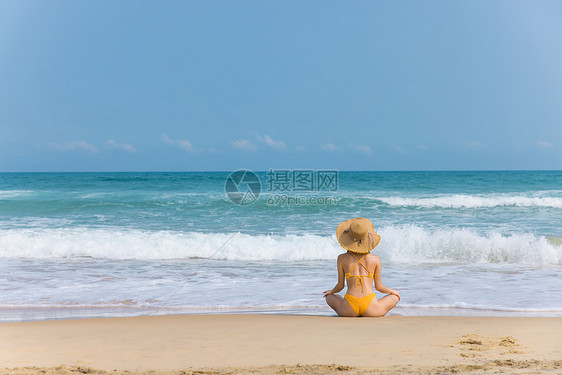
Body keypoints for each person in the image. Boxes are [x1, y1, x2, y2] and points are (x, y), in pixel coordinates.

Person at [323, 217, 400, 317]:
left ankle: (346, 308)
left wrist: (331, 291)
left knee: (328, 296)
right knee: (395, 297)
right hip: (371, 308)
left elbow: (340, 286)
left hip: (349, 308)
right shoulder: (375, 259)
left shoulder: (341, 258)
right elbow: (379, 287)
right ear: (368, 238)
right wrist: (393, 291)